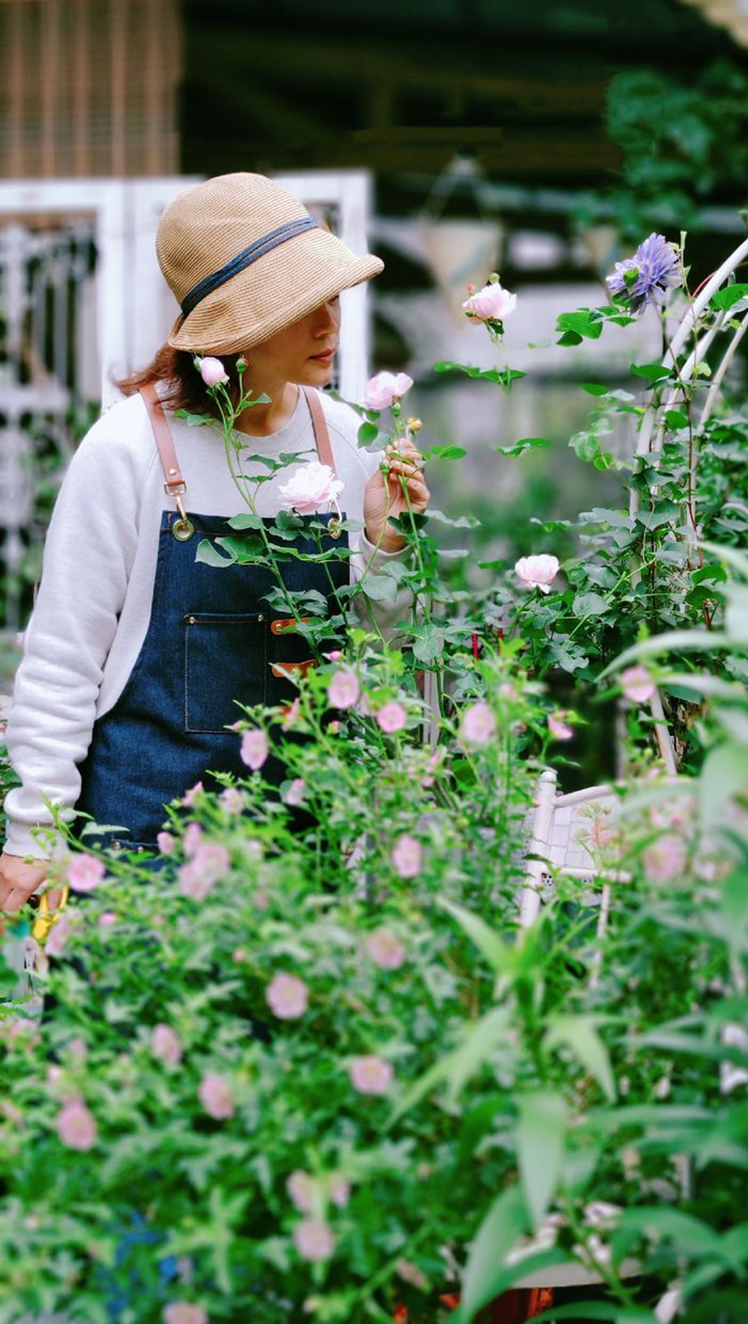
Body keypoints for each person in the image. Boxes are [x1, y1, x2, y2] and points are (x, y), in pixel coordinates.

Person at [0, 171, 429, 913]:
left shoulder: (347, 441)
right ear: (236, 330)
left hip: (304, 836)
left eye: (330, 297)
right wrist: (34, 831)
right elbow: (64, 655)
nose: (330, 323)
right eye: (301, 307)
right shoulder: (128, 449)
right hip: (140, 838)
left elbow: (376, 654)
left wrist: (385, 543)